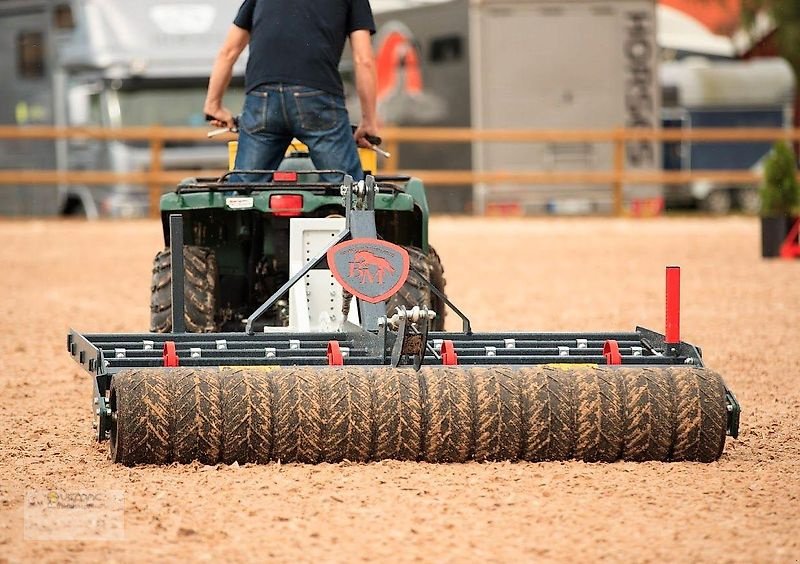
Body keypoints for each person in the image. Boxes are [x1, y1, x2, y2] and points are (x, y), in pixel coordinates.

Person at [203, 0, 378, 183]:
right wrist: (369, 122)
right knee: (351, 192)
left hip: (263, 95)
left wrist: (213, 105)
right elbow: (363, 59)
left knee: (242, 196)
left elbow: (228, 52)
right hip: (317, 94)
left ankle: (240, 206)